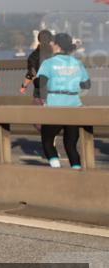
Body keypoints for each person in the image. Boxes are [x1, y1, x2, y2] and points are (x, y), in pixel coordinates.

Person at [37, 33, 91, 169]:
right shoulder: (77, 63)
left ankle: (56, 169)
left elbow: (40, 83)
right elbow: (86, 85)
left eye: (53, 42)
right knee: (71, 144)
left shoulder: (48, 63)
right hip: (74, 105)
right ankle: (76, 171)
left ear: (57, 46)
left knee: (47, 140)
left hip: (55, 104)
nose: (50, 44)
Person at [22, 29, 54, 101]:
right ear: (50, 40)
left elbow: (31, 72)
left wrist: (24, 86)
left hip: (39, 91)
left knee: (38, 110)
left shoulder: (34, 55)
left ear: (39, 40)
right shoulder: (55, 55)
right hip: (56, 91)